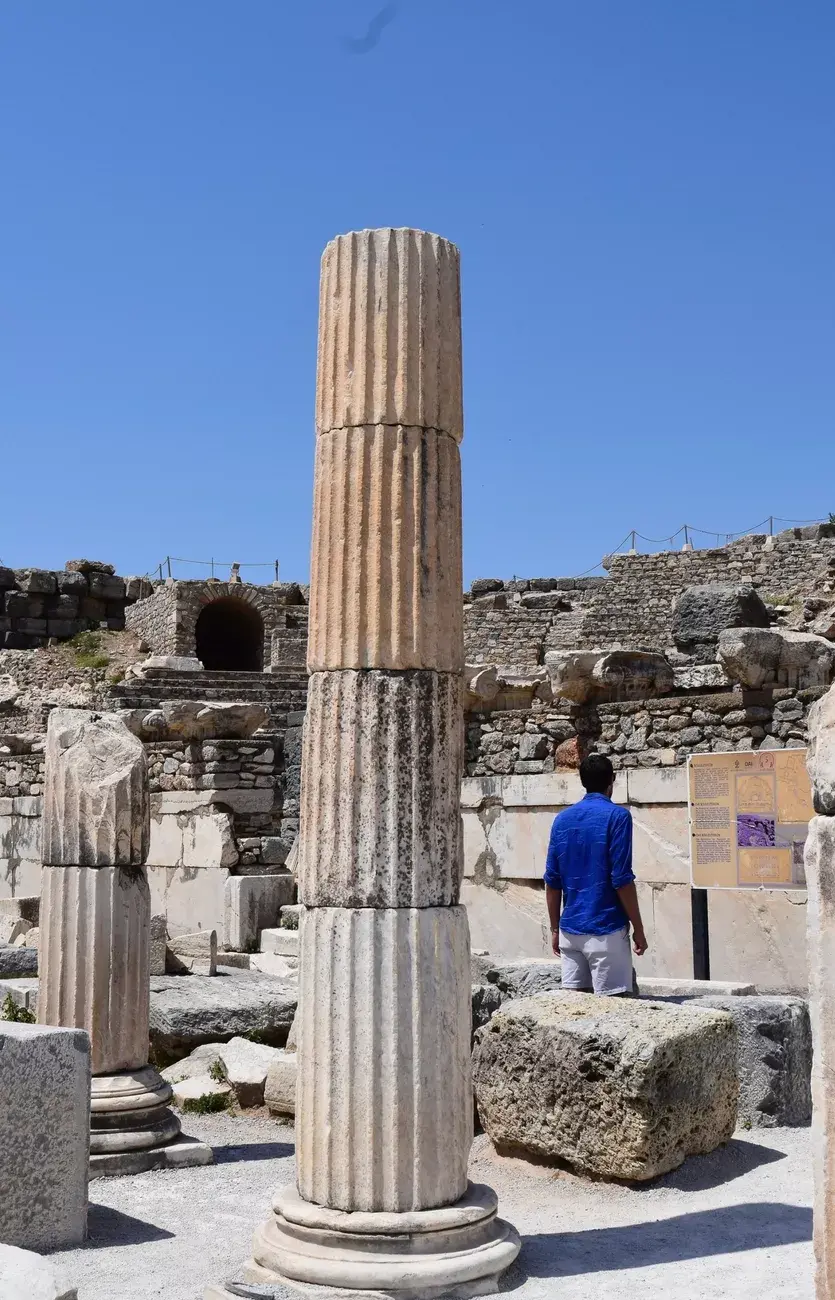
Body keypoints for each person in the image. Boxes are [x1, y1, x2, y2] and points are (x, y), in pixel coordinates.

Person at [544, 753, 648, 996]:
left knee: (574, 1017)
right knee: (614, 1014)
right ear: (612, 780)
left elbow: (552, 881)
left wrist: (554, 929)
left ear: (583, 782)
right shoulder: (618, 817)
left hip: (570, 932)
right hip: (606, 932)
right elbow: (621, 878)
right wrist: (639, 928)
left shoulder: (561, 820)